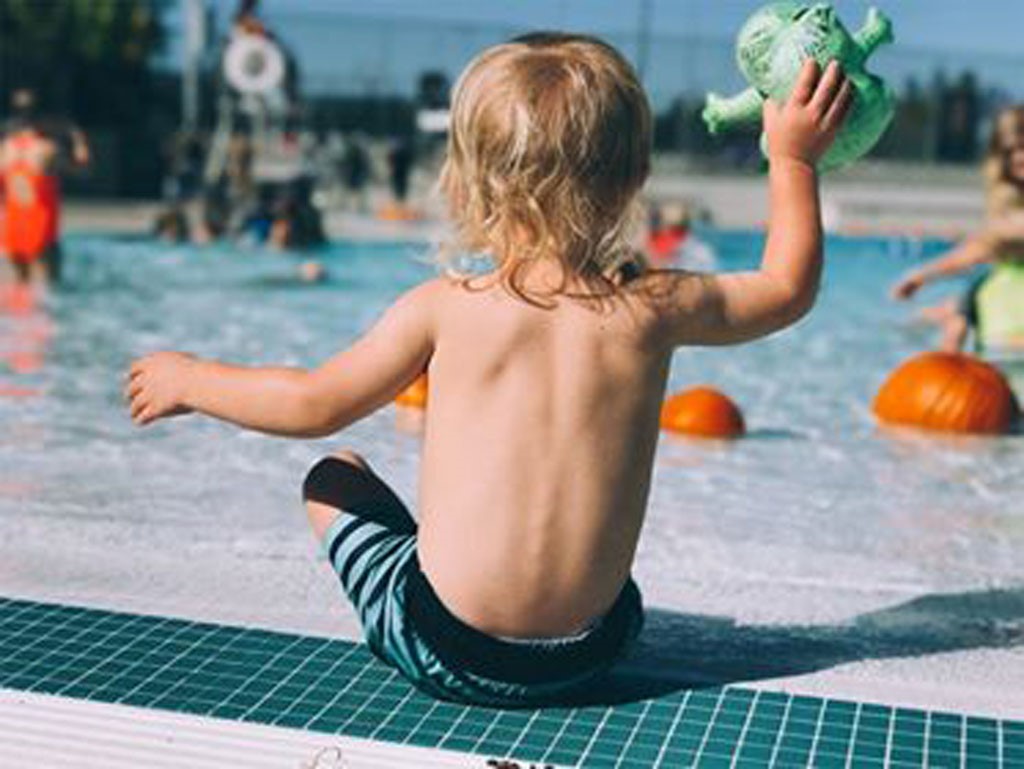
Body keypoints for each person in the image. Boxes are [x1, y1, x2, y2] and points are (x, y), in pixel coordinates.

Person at [126, 36, 850, 706]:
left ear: (467, 182)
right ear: (634, 176)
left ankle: (421, 615)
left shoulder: (443, 307)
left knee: (334, 474)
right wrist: (794, 161)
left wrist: (191, 378)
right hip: (593, 650)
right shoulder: (656, 307)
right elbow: (788, 288)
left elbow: (313, 404)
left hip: (448, 649)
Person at [892, 106, 1024, 353]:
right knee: (961, 311)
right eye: (1012, 150)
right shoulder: (1004, 198)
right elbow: (984, 247)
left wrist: (926, 275)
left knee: (960, 309)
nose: (1019, 158)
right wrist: (923, 275)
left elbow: (989, 244)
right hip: (1002, 287)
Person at [0, 88, 90, 285]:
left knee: (18, 290)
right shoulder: (46, 149)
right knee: (48, 294)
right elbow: (82, 172)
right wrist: (79, 141)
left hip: (13, 234)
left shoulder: (5, 149)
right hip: (42, 234)